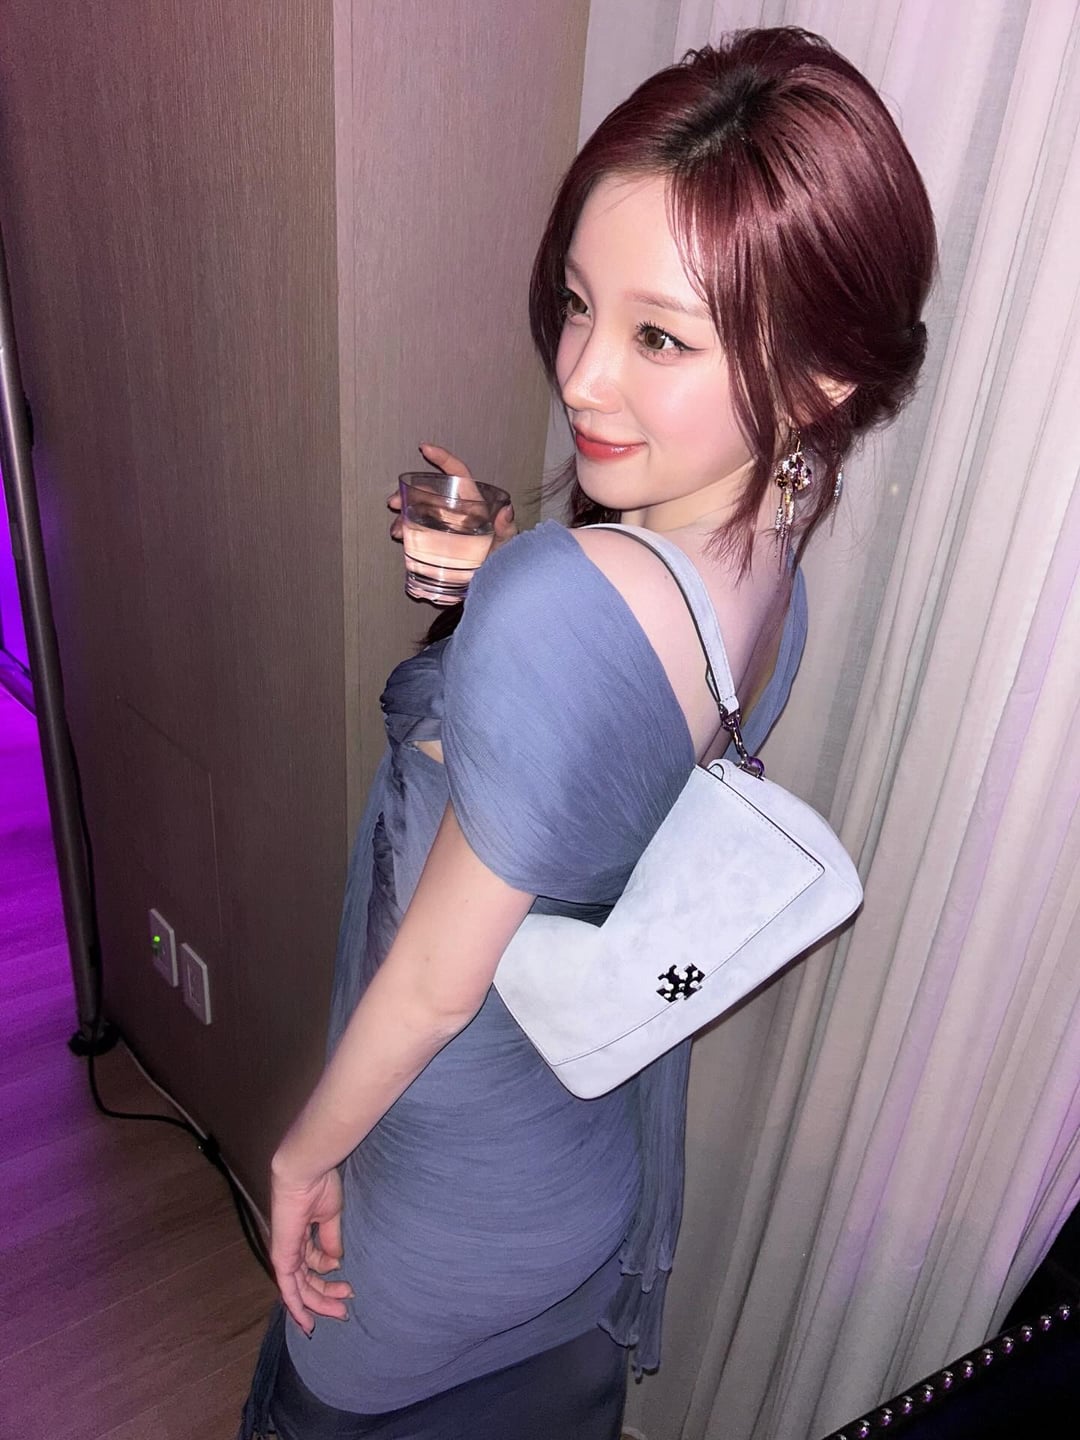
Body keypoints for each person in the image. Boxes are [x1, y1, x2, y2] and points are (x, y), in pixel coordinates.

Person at [239, 26, 935, 1440]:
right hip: (581, 1147)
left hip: (448, 1183)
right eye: (576, 305)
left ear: (817, 381)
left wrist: (301, 1156)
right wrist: (512, 575)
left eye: (658, 337)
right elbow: (615, 748)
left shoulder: (574, 603)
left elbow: (432, 988)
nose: (580, 378)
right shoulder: (761, 561)